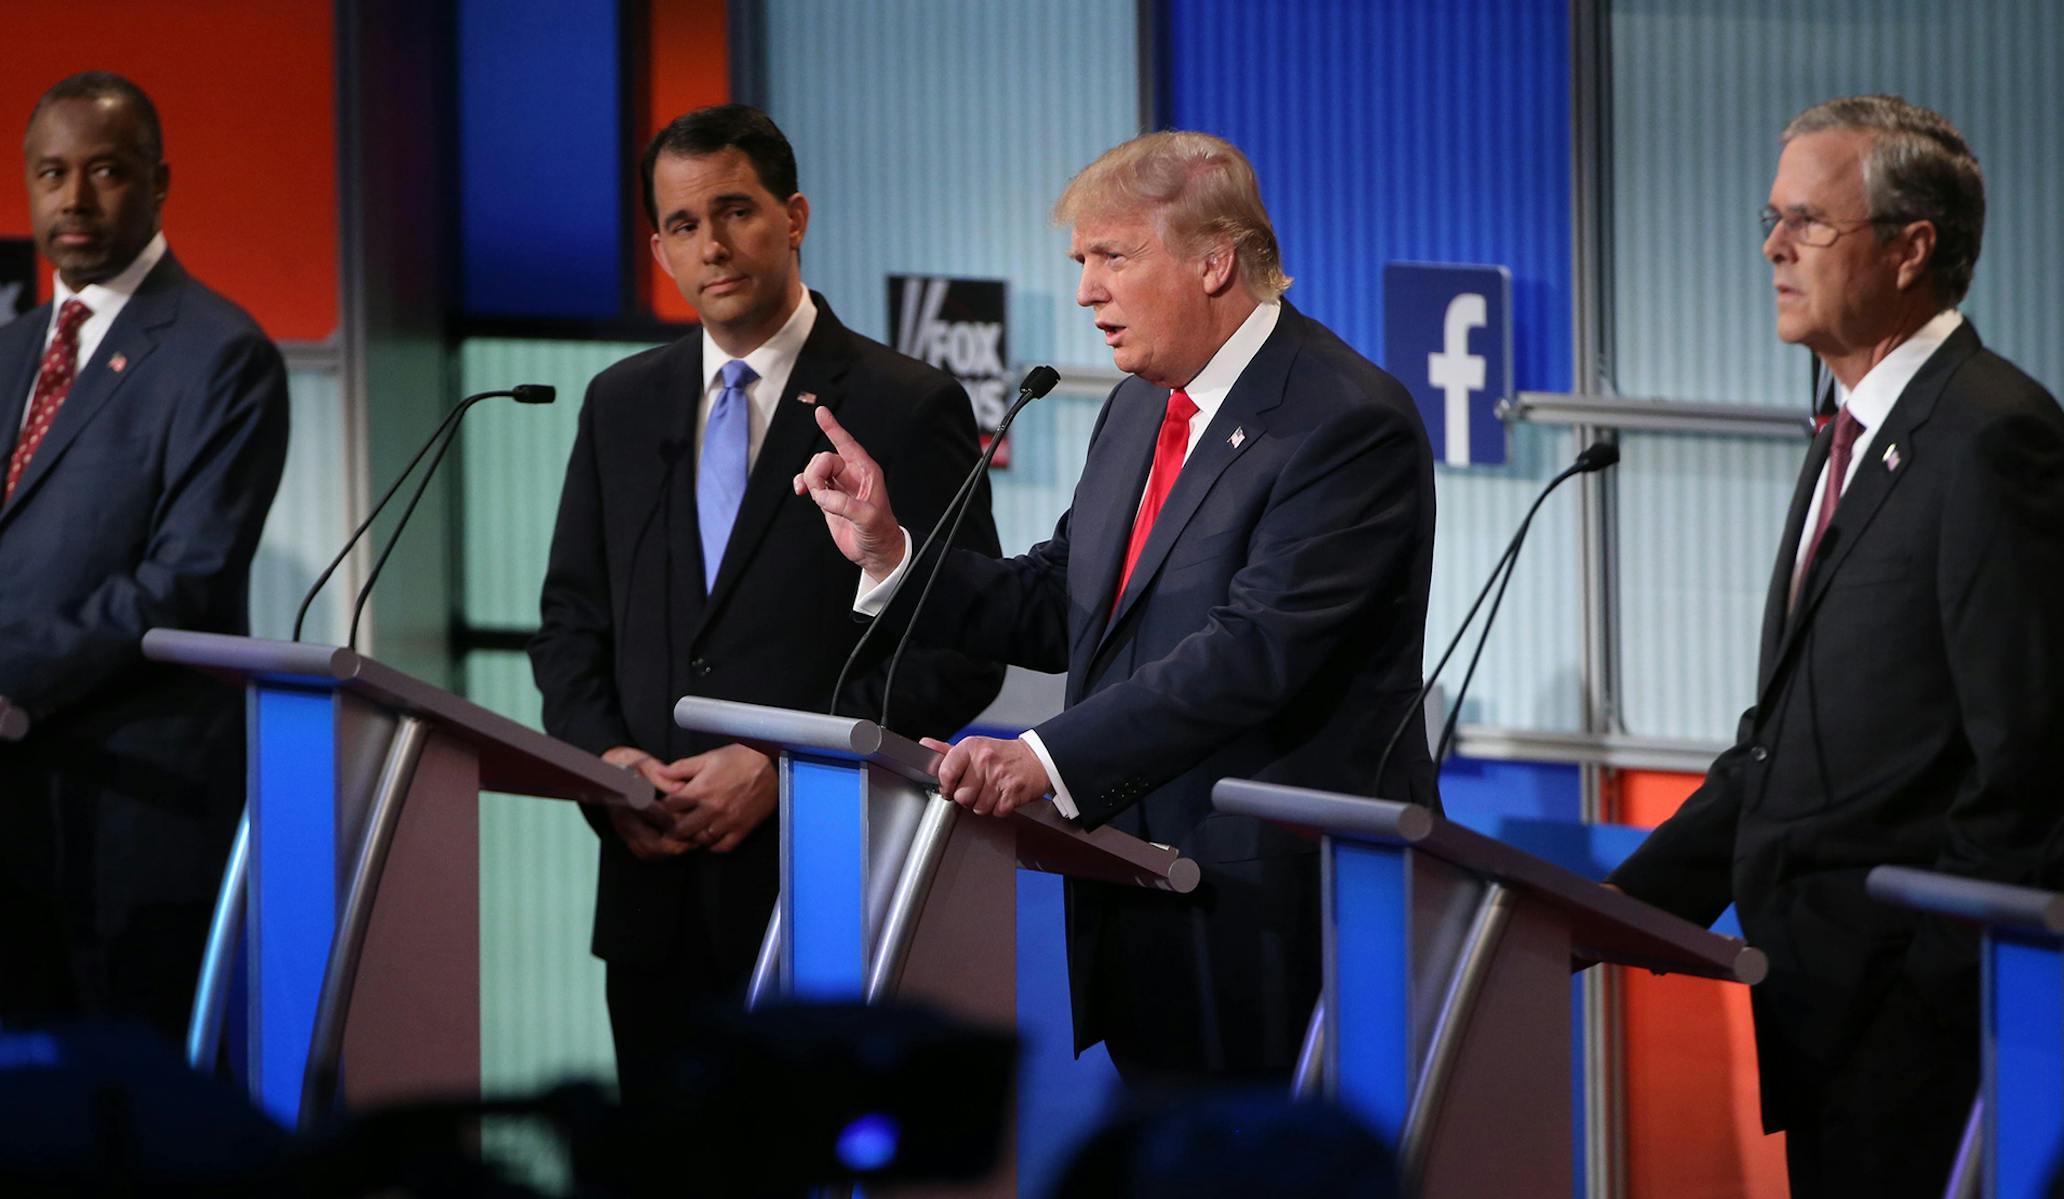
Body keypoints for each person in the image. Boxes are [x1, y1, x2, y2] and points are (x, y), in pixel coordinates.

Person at [796, 131, 1436, 1084]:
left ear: (1215, 258)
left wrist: (1042, 760)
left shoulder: (1344, 420)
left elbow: (1254, 651)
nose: (1087, 289)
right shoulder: (1138, 405)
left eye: (1114, 257)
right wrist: (894, 551)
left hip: (1286, 918)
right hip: (1138, 895)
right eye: (1081, 262)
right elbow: (1067, 599)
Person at [1606, 95, 2064, 1196]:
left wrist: (1930, 990)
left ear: (1912, 249)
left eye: (1809, 222)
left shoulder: (1994, 435)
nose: (1773, 246)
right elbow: (1779, 743)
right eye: (1773, 218)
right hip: (1819, 999)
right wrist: (1607, 912)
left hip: (1912, 1023)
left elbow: (2031, 763)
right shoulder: (1850, 425)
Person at [527, 104, 1002, 1077]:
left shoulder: (906, 403)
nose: (713, 244)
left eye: (736, 211)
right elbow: (571, 622)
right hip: (650, 884)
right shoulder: (620, 401)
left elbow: (961, 650)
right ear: (657, 246)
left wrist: (783, 764)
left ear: (794, 216)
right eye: (684, 225)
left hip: (821, 883)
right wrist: (604, 764)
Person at [0, 71, 289, 1043]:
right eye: (51, 173)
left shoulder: (221, 351)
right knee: (35, 1108)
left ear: (159, 182)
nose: (73, 198)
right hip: (12, 808)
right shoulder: (3, 353)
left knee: (138, 1120)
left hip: (143, 813)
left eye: (105, 171)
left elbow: (184, 586)